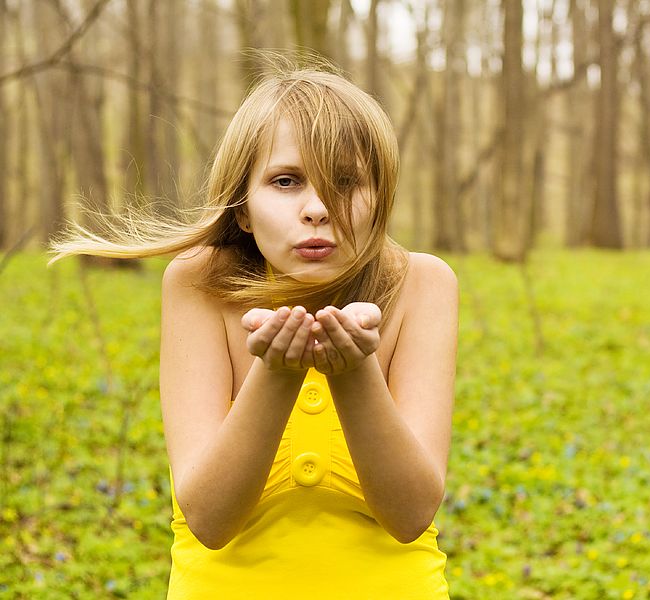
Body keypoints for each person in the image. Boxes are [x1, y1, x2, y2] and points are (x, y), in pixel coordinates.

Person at [48, 55, 458, 598]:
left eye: (346, 182)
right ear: (242, 209)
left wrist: (355, 371)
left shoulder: (423, 285)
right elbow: (211, 521)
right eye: (286, 181)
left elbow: (410, 514)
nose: (317, 208)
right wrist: (277, 373)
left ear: (381, 201)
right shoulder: (197, 283)